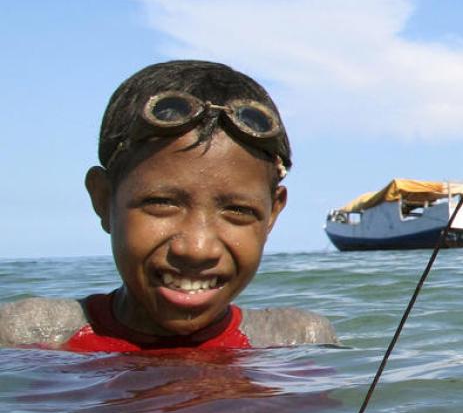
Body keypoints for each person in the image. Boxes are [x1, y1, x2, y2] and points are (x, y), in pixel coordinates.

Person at [0, 60, 338, 351]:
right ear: (103, 199)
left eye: (238, 211)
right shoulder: (26, 335)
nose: (197, 248)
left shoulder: (296, 340)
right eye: (161, 203)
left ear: (272, 214)